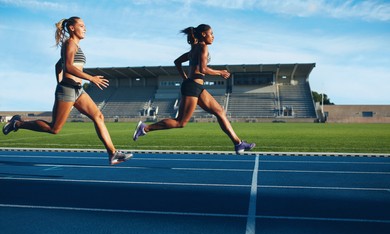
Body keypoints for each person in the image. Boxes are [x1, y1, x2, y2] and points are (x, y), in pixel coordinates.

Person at [2, 16, 132, 165]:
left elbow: (58, 66)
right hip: (68, 90)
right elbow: (68, 67)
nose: (85, 29)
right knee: (54, 128)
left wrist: (62, 82)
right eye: (82, 26)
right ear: (72, 28)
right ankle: (18, 123)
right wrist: (89, 79)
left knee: (98, 116)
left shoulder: (75, 46)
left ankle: (112, 154)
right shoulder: (70, 43)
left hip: (77, 90)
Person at [133, 24, 255, 154]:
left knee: (220, 111)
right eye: (211, 34)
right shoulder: (203, 47)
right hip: (192, 87)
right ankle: (145, 128)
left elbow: (177, 62)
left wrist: (185, 77)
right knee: (180, 122)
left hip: (196, 86)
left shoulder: (194, 48)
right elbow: (202, 69)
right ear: (203, 34)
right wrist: (220, 72)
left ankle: (238, 144)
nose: (213, 37)